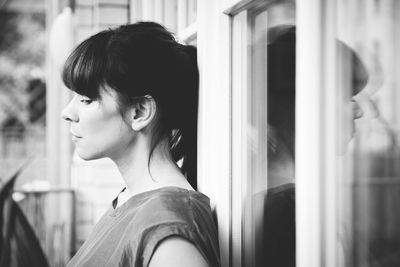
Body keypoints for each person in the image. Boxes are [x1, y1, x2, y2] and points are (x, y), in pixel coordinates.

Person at [61, 22, 220, 267]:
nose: (67, 112)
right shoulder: (131, 200)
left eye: (86, 99)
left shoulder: (169, 231)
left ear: (139, 112)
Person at [254, 25, 370, 267]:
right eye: (346, 96)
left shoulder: (291, 197)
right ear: (310, 107)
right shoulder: (290, 210)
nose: (359, 110)